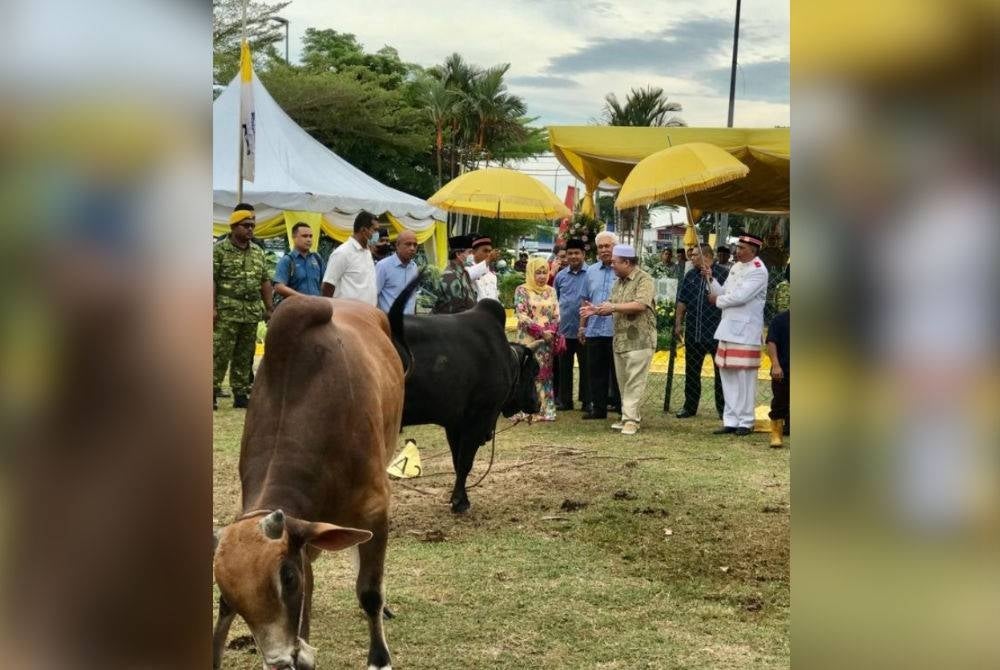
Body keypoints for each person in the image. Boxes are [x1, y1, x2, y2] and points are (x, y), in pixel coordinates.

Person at [580, 244, 656, 436]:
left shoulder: (644, 280)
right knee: (623, 382)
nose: (612, 265)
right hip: (620, 340)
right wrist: (596, 311)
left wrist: (612, 307)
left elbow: (640, 305)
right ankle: (628, 417)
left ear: (627, 262)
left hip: (640, 339)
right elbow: (613, 306)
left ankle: (631, 420)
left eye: (615, 262)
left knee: (634, 381)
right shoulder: (618, 283)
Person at [706, 233, 769, 436]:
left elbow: (741, 297)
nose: (737, 251)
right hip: (728, 328)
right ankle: (731, 420)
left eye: (742, 248)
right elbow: (724, 291)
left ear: (753, 250)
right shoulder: (736, 267)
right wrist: (710, 278)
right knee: (728, 375)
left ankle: (746, 421)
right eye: (738, 247)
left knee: (744, 378)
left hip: (745, 331)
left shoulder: (759, 271)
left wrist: (717, 301)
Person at [213, 206, 274, 410]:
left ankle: (240, 393)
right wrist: (211, 307)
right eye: (246, 226)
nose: (250, 229)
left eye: (252, 226)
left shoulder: (257, 251)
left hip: (250, 311)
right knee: (219, 352)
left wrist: (269, 307)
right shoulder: (220, 250)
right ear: (233, 227)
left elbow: (265, 280)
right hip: (226, 310)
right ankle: (211, 390)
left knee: (244, 354)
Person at [674, 244, 729, 419]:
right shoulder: (690, 275)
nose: (692, 258)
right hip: (694, 331)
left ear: (706, 256)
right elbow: (682, 301)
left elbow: (728, 298)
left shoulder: (723, 273)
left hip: (716, 332)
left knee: (720, 373)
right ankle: (689, 407)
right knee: (691, 371)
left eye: (695, 255)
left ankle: (723, 409)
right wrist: (678, 324)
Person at [578, 231, 622, 420]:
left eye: (608, 246)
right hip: (595, 329)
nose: (604, 250)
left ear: (615, 247)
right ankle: (599, 409)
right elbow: (585, 301)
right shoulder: (591, 271)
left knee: (619, 373)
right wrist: (582, 327)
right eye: (601, 246)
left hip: (617, 329)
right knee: (595, 371)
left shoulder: (623, 270)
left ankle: (623, 409)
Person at [514, 257, 561, 421]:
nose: (542, 276)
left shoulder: (551, 291)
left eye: (544, 272)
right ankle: (525, 409)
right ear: (530, 273)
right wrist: (541, 332)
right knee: (528, 372)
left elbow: (556, 315)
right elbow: (521, 315)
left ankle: (545, 410)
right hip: (529, 338)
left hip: (547, 340)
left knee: (545, 373)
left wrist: (551, 331)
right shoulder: (522, 290)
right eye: (538, 273)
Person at [554, 238, 590, 412]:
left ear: (584, 254)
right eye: (570, 253)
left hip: (586, 329)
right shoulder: (560, 276)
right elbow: (556, 300)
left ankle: (586, 400)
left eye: (577, 253)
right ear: (565, 256)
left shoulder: (591, 274)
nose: (573, 256)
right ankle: (565, 400)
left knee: (587, 366)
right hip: (564, 330)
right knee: (564, 367)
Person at [321, 211, 379, 305]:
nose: (377, 234)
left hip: (368, 315)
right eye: (375, 230)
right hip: (346, 316)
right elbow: (327, 286)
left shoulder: (367, 252)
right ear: (363, 230)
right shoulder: (342, 253)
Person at [272, 222, 325, 303]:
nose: (309, 239)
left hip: (316, 308)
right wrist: (302, 298)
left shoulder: (317, 258)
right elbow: (278, 287)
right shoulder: (287, 260)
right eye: (304, 236)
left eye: (310, 236)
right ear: (294, 237)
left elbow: (324, 284)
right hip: (295, 309)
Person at [375, 229, 420, 314]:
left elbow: (413, 297)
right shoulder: (383, 266)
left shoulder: (414, 267)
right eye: (408, 244)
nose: (412, 248)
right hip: (389, 323)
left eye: (415, 245)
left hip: (410, 323)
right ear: (397, 245)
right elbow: (373, 296)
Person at [431, 235, 478, 314]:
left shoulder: (463, 273)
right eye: (469, 252)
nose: (472, 256)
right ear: (458, 254)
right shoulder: (450, 276)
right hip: (449, 324)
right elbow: (457, 310)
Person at [766, 308, 790, 448]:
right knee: (780, 402)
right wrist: (775, 365)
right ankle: (776, 434)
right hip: (784, 369)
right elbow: (771, 342)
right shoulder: (779, 320)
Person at [469, 235, 499, 301]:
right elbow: (471, 275)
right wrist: (489, 259)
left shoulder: (492, 276)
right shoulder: (466, 269)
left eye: (490, 251)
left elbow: (495, 298)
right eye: (485, 251)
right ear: (473, 252)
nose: (488, 254)